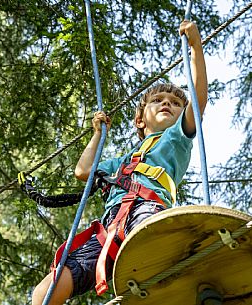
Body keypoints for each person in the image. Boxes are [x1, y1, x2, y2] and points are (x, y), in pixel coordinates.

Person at [31, 20, 208, 305]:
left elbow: (198, 101)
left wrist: (196, 48)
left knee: (152, 253)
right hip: (109, 229)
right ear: (140, 120)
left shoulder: (177, 138)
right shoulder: (121, 162)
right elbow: (83, 171)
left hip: (147, 211)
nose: (167, 104)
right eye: (158, 100)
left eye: (175, 103)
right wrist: (98, 134)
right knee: (44, 293)